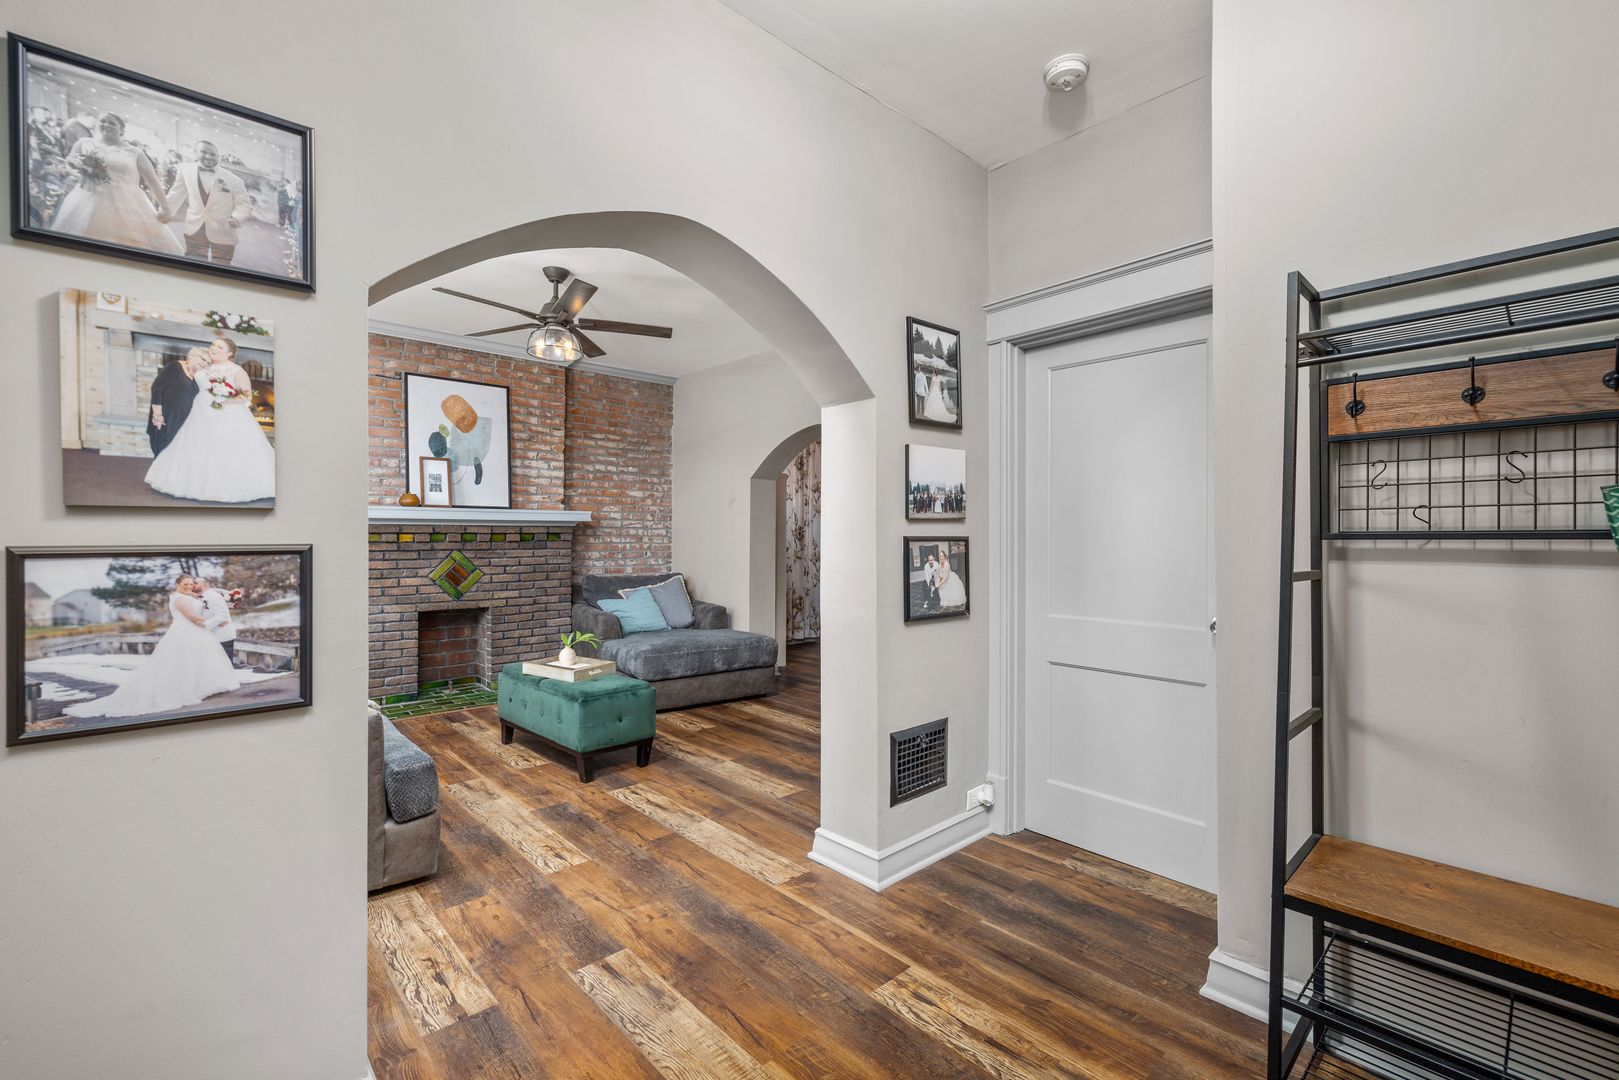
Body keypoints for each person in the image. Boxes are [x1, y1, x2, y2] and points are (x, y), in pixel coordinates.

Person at [64, 576, 241, 720]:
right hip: (186, 631)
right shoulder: (180, 599)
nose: (188, 587)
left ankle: (198, 688)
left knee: (196, 661)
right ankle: (181, 691)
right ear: (177, 585)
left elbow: (204, 600)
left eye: (190, 584)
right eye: (185, 584)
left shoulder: (189, 596)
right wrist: (217, 620)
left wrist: (224, 599)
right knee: (182, 662)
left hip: (197, 632)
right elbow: (194, 618)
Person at [145, 338, 276, 503]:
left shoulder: (237, 371)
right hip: (199, 413)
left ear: (230, 353)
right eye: (213, 345)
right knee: (197, 447)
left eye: (220, 347)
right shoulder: (205, 365)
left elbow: (246, 396)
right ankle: (191, 483)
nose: (214, 348)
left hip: (227, 415)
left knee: (226, 450)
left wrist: (223, 399)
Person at [51, 112, 184, 254]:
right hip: (87, 196)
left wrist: (165, 207)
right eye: (103, 121)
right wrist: (81, 173)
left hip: (128, 203)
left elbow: (153, 181)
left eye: (112, 123)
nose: (106, 125)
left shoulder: (135, 152)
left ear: (121, 129)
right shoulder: (84, 143)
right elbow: (70, 165)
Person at [164, 140, 252, 264]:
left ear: (218, 156)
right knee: (194, 265)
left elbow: (244, 205)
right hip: (194, 228)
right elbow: (176, 194)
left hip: (224, 231)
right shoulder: (186, 170)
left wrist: (236, 218)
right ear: (196, 152)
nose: (208, 156)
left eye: (212, 154)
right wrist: (165, 212)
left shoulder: (234, 180)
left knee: (221, 266)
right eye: (204, 152)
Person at [146, 348, 206, 457]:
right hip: (167, 419)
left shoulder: (199, 377)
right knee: (163, 454)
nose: (205, 363)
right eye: (203, 359)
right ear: (192, 356)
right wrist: (157, 415)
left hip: (184, 422)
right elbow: (157, 388)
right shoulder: (174, 367)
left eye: (208, 362)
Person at [198, 580, 239, 666]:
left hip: (222, 635)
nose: (193, 585)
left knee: (225, 666)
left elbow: (222, 616)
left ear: (205, 585)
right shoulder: (201, 596)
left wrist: (205, 625)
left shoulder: (213, 596)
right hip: (211, 635)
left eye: (196, 583)